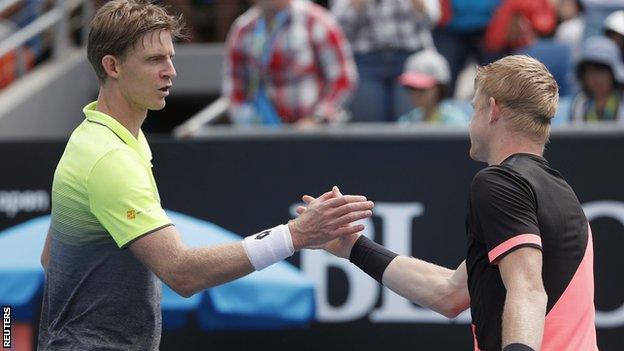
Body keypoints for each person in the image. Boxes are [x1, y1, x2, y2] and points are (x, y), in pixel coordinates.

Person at [37, 1, 373, 349]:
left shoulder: (99, 137)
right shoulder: (109, 158)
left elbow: (51, 258)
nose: (170, 71)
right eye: (154, 60)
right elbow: (182, 272)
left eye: (171, 57)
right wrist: (295, 236)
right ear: (112, 66)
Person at [300, 55, 598, 350]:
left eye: (474, 110)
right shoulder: (563, 195)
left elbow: (528, 289)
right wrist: (353, 247)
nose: (470, 122)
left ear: (492, 110)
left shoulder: (498, 182)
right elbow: (450, 294)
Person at [223, 0, 357, 126]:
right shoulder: (243, 29)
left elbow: (343, 79)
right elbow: (234, 89)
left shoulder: (315, 21)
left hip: (314, 135)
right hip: (261, 136)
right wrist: (247, 122)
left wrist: (318, 119)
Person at [330, 0, 440, 122]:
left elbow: (432, 20)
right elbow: (338, 27)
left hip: (411, 60)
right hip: (366, 61)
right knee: (367, 128)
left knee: (412, 127)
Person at [397, 49, 469, 125]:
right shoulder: (406, 121)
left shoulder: (456, 121)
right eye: (412, 88)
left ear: (439, 88)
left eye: (422, 89)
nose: (415, 94)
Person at [571, 36, 624, 122]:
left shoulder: (621, 99)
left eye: (601, 71)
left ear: (613, 74)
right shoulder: (580, 103)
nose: (596, 79)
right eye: (590, 72)